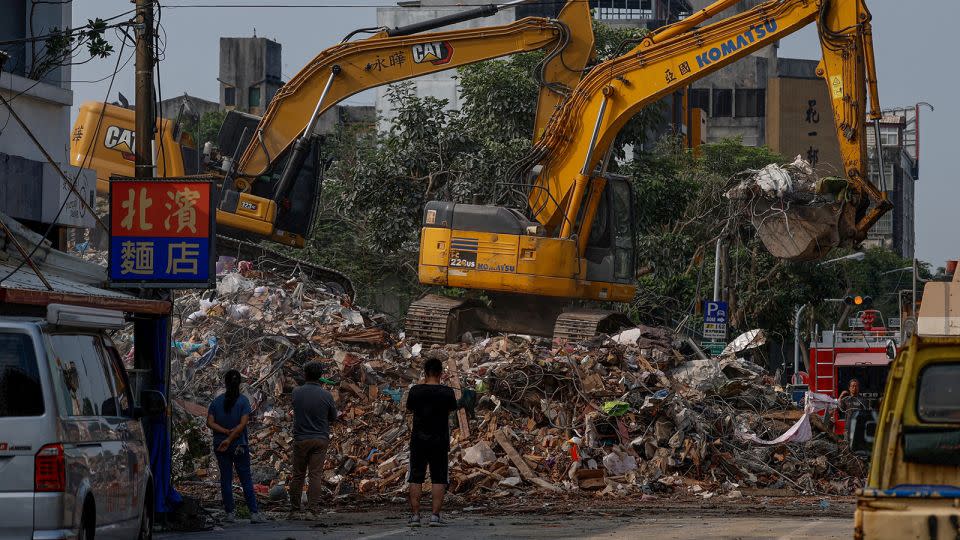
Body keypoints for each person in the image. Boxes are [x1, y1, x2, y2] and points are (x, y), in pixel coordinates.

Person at [405, 358, 462, 527]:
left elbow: (410, 408)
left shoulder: (415, 391)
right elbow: (453, 408)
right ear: (441, 373)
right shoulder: (447, 392)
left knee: (415, 477)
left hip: (418, 440)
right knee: (438, 478)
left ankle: (415, 516)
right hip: (439, 440)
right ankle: (435, 517)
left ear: (425, 372)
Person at [206, 370, 266, 524]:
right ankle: (253, 513)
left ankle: (230, 513)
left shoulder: (216, 402)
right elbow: (243, 424)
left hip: (220, 445)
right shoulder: (243, 401)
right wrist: (231, 436)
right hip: (239, 445)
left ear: (225, 383)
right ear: (239, 383)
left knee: (225, 479)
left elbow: (210, 423)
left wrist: (224, 434)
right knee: (245, 479)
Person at [288, 361, 338, 519]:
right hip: (320, 439)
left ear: (305, 374)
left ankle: (295, 511)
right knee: (315, 475)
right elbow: (333, 418)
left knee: (298, 475)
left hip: (301, 439)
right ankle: (312, 510)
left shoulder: (296, 392)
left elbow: (295, 408)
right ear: (321, 376)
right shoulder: (327, 395)